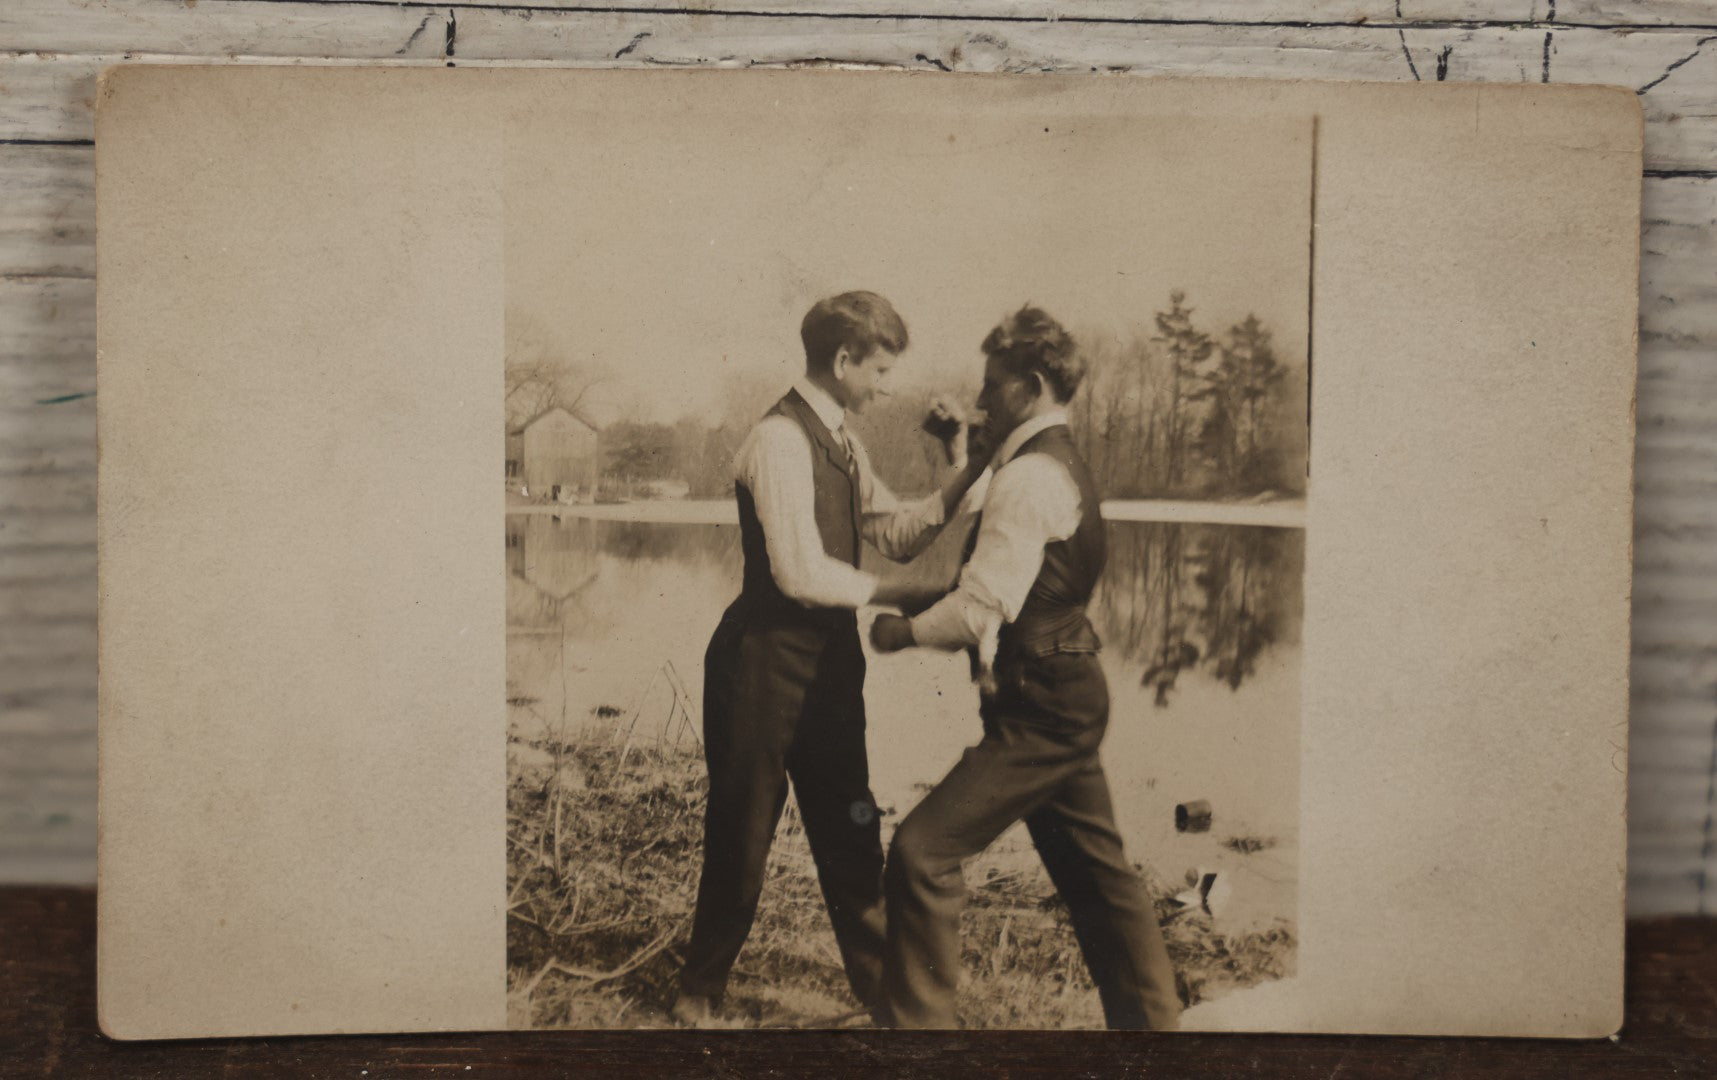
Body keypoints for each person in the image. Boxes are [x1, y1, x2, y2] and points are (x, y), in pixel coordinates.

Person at [671, 291, 985, 1026]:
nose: (887, 385)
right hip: (760, 664)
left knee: (850, 831)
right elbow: (799, 573)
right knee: (742, 831)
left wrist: (962, 466)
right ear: (843, 361)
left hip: (831, 666)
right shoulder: (778, 440)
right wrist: (907, 598)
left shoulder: (844, 442)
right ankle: (698, 994)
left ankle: (885, 1000)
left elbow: (898, 532)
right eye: (880, 369)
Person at [869, 305, 1181, 1031]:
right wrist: (956, 453)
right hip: (1064, 693)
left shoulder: (1033, 478)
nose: (980, 402)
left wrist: (900, 633)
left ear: (1029, 385)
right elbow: (991, 523)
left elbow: (979, 608)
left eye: (991, 386)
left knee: (920, 855)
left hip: (1041, 708)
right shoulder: (1043, 464)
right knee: (1100, 882)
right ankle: (1155, 1037)